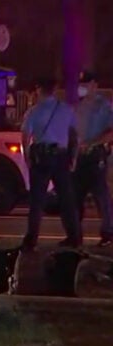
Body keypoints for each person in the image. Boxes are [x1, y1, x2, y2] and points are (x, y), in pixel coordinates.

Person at [20, 78, 81, 251]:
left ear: (39, 90)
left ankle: (31, 239)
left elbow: (25, 137)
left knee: (37, 200)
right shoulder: (66, 110)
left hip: (41, 156)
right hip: (61, 156)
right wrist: (73, 158)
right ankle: (74, 237)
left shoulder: (34, 111)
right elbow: (74, 136)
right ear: (54, 90)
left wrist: (28, 159)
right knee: (67, 198)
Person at [73, 70, 113, 247]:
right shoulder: (78, 106)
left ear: (95, 85)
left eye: (86, 84)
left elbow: (111, 131)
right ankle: (75, 235)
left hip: (96, 156)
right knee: (76, 197)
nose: (83, 88)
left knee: (101, 196)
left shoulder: (104, 106)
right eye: (81, 84)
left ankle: (108, 234)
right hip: (79, 157)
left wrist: (92, 143)